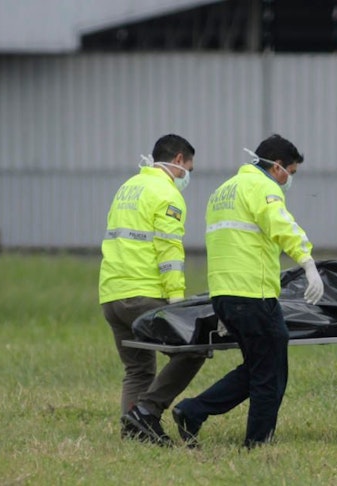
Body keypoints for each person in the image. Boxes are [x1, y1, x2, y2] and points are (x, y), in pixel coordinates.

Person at [171, 134, 325, 448]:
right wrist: (308, 262)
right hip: (253, 294)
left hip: (225, 294)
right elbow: (282, 225)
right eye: (290, 174)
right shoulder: (262, 187)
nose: (288, 181)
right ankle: (257, 443)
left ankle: (194, 411)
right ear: (278, 166)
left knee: (259, 366)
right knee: (270, 373)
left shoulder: (224, 191)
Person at [99, 134, 205, 446]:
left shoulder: (128, 188)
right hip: (142, 295)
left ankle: (133, 434)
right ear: (177, 160)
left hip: (112, 295)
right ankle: (148, 411)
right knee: (194, 349)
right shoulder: (167, 194)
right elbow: (170, 252)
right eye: (189, 168)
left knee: (137, 369)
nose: (188, 175)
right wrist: (176, 302)